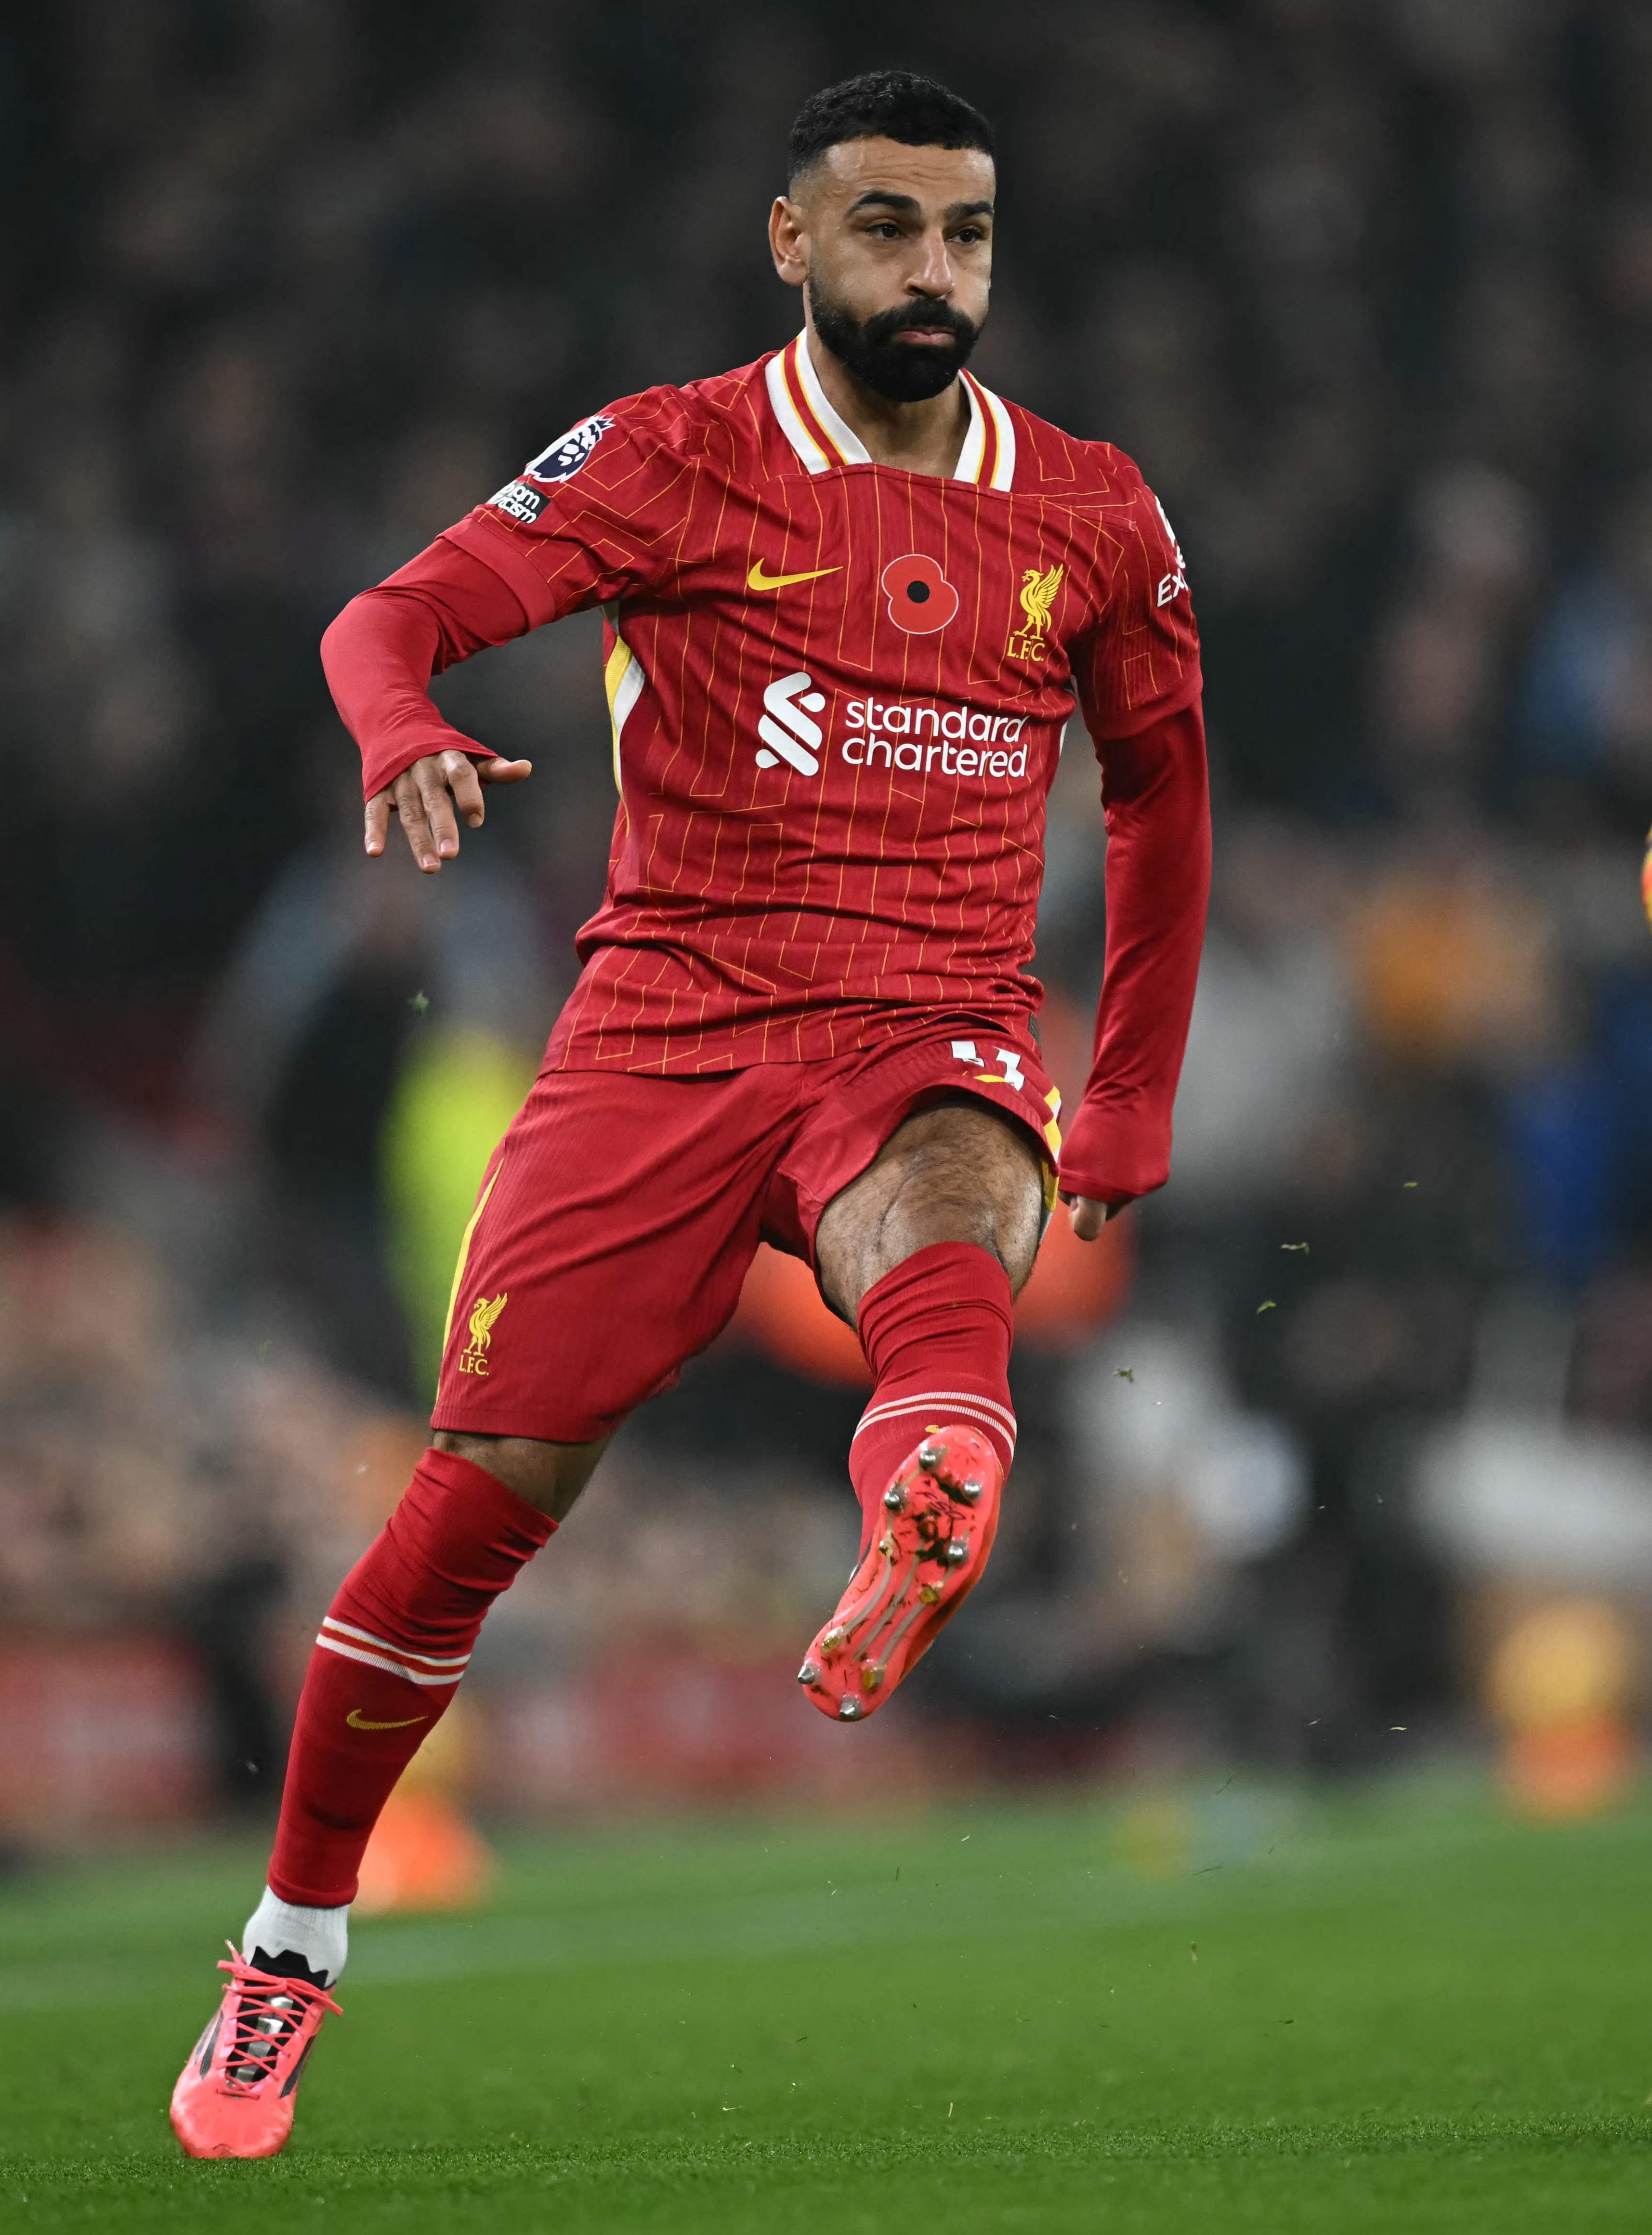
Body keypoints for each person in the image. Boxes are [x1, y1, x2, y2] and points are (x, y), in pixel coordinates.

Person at [167, 70, 1211, 2158]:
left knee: (949, 1203)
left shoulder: (1094, 510)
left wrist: (1130, 1089)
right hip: (666, 1025)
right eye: (893, 228)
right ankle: (289, 1943)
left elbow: (1165, 793)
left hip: (925, 1016)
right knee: (477, 1500)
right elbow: (388, 615)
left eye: (970, 235)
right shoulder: (673, 455)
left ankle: (923, 1487)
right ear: (793, 242)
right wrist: (404, 725)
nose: (936, 272)